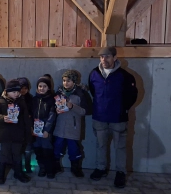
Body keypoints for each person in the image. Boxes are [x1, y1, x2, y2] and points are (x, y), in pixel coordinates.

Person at [88, 46, 138, 188]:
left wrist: (124, 109)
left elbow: (132, 95)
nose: (104, 59)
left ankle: (120, 173)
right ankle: (100, 169)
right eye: (102, 56)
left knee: (120, 147)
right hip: (99, 117)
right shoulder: (94, 74)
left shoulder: (125, 76)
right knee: (101, 145)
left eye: (107, 56)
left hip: (118, 118)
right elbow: (93, 91)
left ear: (115, 57)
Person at [0, 79, 32, 184]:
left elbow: (26, 119)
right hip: (5, 135)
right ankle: (0, 175)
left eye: (18, 91)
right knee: (3, 155)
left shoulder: (21, 101)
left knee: (17, 154)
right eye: (14, 92)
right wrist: (3, 117)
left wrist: (28, 132)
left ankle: (18, 173)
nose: (17, 94)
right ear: (7, 91)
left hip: (18, 134)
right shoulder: (1, 101)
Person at [53, 70, 90, 177]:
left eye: (68, 81)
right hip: (59, 127)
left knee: (74, 149)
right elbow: (53, 108)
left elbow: (85, 111)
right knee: (57, 147)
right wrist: (56, 110)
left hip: (73, 128)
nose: (65, 83)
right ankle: (56, 167)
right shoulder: (58, 93)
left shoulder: (81, 93)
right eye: (64, 80)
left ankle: (76, 168)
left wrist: (72, 106)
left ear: (74, 81)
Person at [32, 75, 57, 179]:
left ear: (49, 88)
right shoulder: (34, 99)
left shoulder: (51, 100)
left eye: (45, 86)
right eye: (40, 86)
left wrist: (47, 130)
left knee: (47, 150)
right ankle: (42, 168)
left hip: (46, 130)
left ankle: (50, 170)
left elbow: (52, 116)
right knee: (38, 149)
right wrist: (31, 128)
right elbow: (30, 115)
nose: (42, 88)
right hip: (35, 130)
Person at [17, 77, 34, 173]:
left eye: (25, 88)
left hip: (28, 127)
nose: (23, 90)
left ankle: (28, 166)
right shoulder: (14, 98)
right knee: (18, 150)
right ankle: (18, 167)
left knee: (28, 150)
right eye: (21, 88)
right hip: (17, 128)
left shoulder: (31, 99)